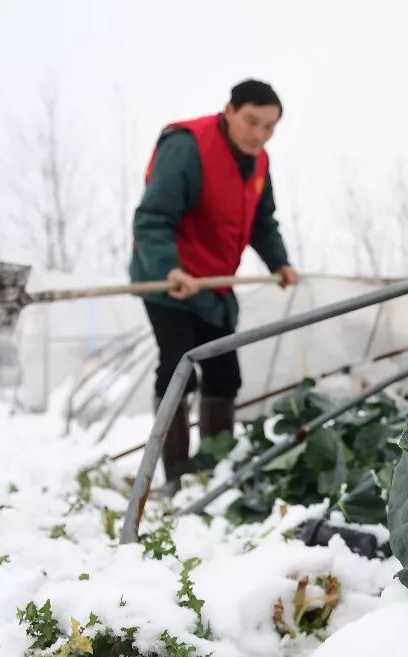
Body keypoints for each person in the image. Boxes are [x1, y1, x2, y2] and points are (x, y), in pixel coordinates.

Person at [130, 79, 299, 491]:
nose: (258, 135)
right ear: (229, 111)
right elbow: (152, 219)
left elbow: (262, 222)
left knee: (224, 374)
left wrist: (279, 262)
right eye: (251, 121)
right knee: (179, 368)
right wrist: (169, 269)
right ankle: (175, 476)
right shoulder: (187, 147)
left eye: (269, 127)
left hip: (214, 286)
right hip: (170, 281)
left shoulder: (259, 163)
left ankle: (213, 473)